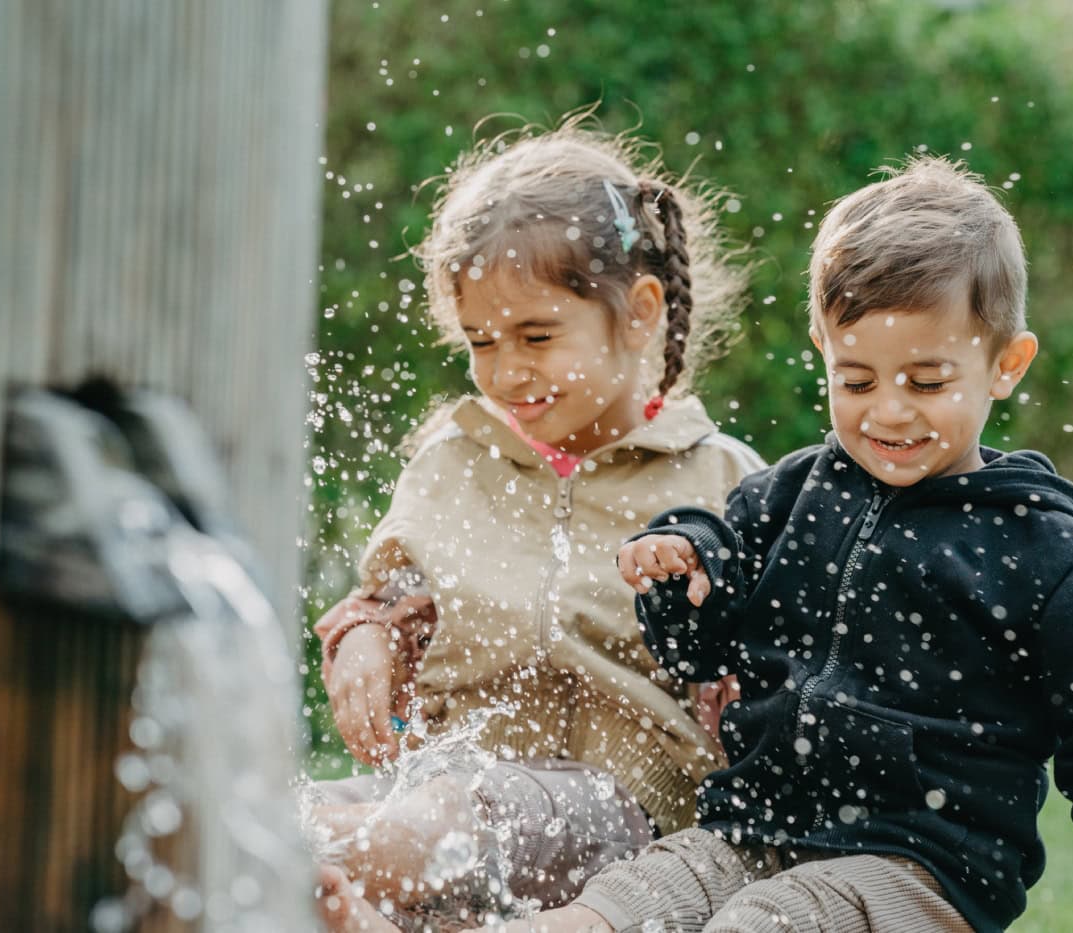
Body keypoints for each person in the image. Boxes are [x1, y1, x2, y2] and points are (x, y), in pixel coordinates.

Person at [509, 156, 1073, 932]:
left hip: (919, 868)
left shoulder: (1048, 554)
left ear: (1005, 364)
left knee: (761, 923)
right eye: (857, 380)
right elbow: (700, 655)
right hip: (753, 833)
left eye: (927, 382)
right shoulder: (788, 497)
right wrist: (682, 571)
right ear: (822, 348)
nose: (889, 413)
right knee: (604, 910)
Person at [309, 117, 762, 931]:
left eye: (537, 335)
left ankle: (284, 856)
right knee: (319, 811)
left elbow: (780, 660)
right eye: (481, 340)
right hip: (439, 801)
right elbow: (388, 599)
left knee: (433, 822)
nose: (507, 370)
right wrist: (364, 643)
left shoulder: (721, 478)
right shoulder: (453, 462)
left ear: (639, 312)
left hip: (621, 820)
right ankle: (306, 867)